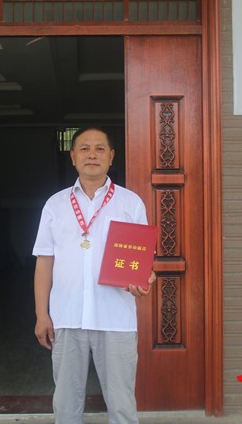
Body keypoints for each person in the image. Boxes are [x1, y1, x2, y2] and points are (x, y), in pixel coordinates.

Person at [32, 127, 156, 424]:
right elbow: (45, 261)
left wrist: (144, 280)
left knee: (122, 404)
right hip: (67, 317)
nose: (92, 154)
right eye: (84, 148)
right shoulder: (55, 204)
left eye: (100, 148)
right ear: (73, 157)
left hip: (115, 319)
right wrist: (41, 314)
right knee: (65, 403)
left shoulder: (130, 203)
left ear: (111, 157)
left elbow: (141, 262)